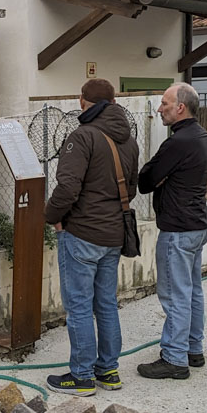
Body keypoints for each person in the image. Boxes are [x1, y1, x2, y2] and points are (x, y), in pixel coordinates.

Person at [43, 79, 139, 396]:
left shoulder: (82, 136)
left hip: (82, 233)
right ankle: (108, 372)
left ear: (83, 102)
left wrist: (52, 217)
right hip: (113, 235)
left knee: (80, 307)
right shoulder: (129, 141)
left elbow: (67, 188)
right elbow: (132, 189)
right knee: (107, 305)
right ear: (113, 102)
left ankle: (82, 377)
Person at [136, 82, 207, 379]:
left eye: (165, 104)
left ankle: (174, 359)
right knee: (192, 291)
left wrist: (160, 179)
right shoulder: (202, 137)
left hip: (178, 229)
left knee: (174, 294)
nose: (160, 109)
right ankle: (193, 349)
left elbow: (145, 180)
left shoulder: (177, 142)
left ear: (180, 107)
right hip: (197, 225)